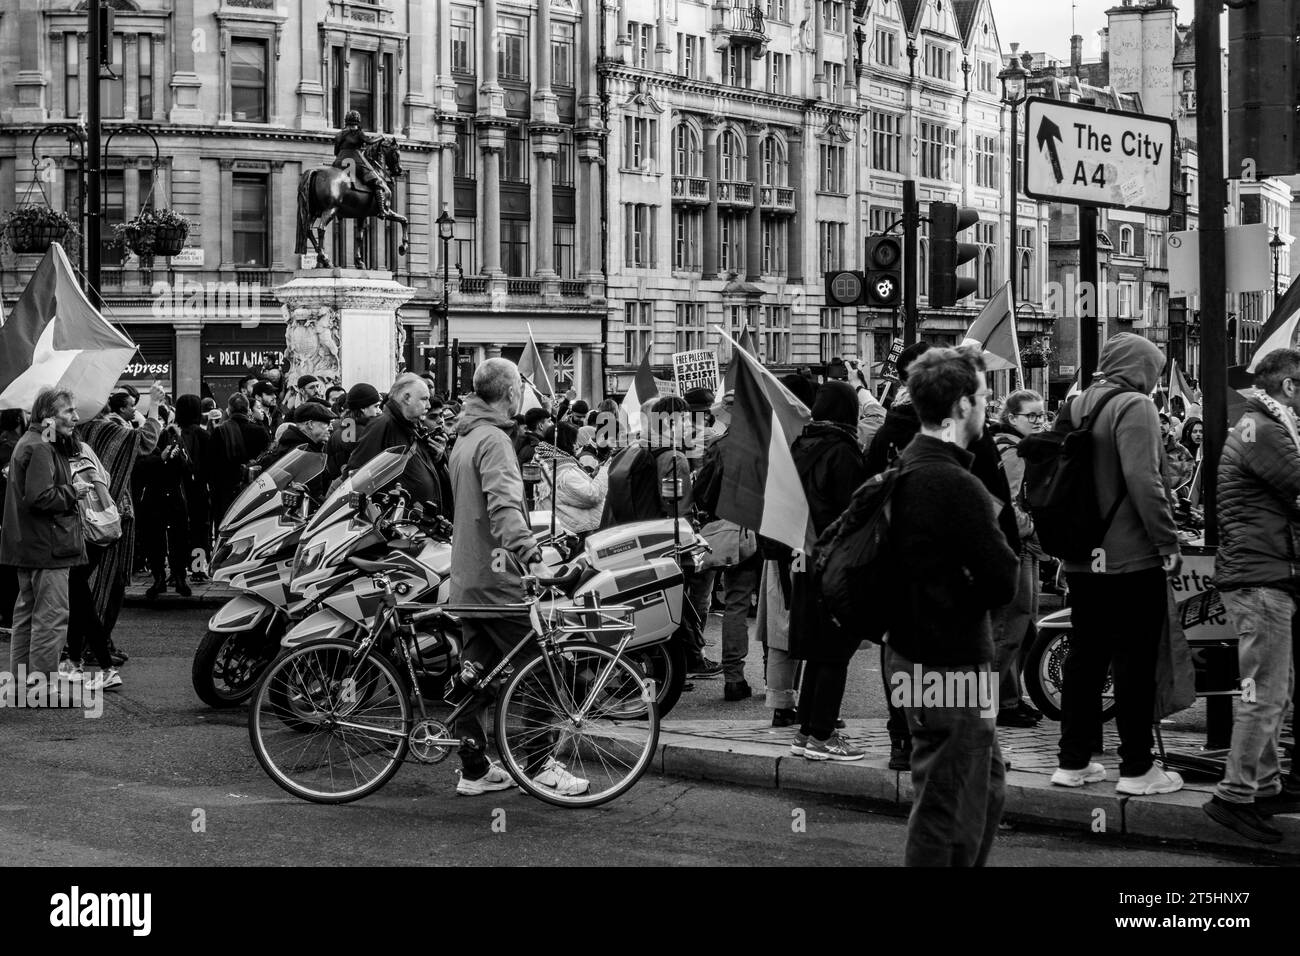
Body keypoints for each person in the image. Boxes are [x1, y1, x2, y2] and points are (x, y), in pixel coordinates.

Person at [883, 347, 1020, 866]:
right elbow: (1003, 577)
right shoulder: (951, 481)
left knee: (982, 788)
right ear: (962, 406)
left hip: (928, 653)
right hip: (946, 661)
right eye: (984, 397)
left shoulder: (910, 464)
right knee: (948, 798)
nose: (989, 406)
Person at [1051, 333, 1184, 796]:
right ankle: (1136, 768)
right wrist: (1167, 541)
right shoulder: (1135, 406)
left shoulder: (1077, 403)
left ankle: (1073, 761)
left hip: (1083, 557)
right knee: (1134, 661)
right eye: (1155, 367)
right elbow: (1145, 480)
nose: (1156, 376)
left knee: (1085, 659)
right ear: (1140, 367)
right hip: (1129, 556)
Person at [447, 358, 587, 797]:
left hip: (469, 577)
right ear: (510, 394)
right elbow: (503, 507)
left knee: (476, 677)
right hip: (497, 580)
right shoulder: (494, 441)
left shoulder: (465, 438)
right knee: (544, 668)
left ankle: (473, 769)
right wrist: (532, 557)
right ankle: (539, 765)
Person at [1202, 348, 1300, 843]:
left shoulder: (1259, 424)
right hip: (1261, 576)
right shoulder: (1262, 429)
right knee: (1263, 693)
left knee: (1272, 689)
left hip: (1261, 572)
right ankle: (1234, 794)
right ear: (1288, 387)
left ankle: (1263, 784)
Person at [787, 381, 869, 756]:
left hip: (802, 556)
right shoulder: (842, 452)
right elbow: (853, 512)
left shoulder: (800, 446)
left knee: (818, 650)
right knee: (835, 650)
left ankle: (805, 732)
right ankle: (823, 735)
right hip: (834, 560)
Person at [0, 387, 94, 682]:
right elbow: (40, 497)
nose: (76, 417)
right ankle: (40, 686)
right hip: (48, 546)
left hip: (32, 544)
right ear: (48, 416)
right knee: (50, 618)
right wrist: (73, 491)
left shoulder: (36, 441)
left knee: (28, 616)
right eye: (69, 411)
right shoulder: (41, 445)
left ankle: (22, 682)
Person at [78, 385, 165, 650]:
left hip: (88, 513)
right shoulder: (105, 429)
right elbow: (146, 441)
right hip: (110, 514)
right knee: (108, 582)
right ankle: (96, 644)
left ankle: (95, 643)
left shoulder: (83, 429)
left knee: (95, 582)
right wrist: (154, 405)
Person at [692, 394, 763, 702]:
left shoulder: (719, 447)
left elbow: (702, 495)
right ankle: (777, 679)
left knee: (735, 603)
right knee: (773, 606)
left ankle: (734, 677)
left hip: (732, 533)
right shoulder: (767, 445)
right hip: (766, 531)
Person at [757, 374, 815, 725]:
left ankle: (782, 704)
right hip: (796, 544)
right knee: (794, 627)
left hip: (777, 544)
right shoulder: (799, 441)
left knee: (782, 630)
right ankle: (791, 703)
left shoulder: (774, 438)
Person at [989, 390, 1047, 728]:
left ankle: (1009, 699)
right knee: (1011, 625)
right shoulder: (1012, 451)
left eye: (1042, 415)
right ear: (1011, 418)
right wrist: (1032, 529)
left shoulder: (1018, 447)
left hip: (1024, 544)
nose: (1040, 422)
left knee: (1022, 627)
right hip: (1018, 545)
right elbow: (1010, 504)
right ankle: (995, 702)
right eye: (1032, 416)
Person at [348, 373, 451, 515]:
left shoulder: (410, 426)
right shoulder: (383, 425)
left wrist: (437, 458)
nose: (428, 405)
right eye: (424, 399)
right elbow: (357, 476)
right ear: (407, 398)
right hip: (396, 524)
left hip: (413, 523)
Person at [138, 411, 196, 600]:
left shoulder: (178, 442)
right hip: (155, 499)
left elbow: (188, 471)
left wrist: (178, 458)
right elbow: (140, 469)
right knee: (155, 541)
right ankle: (159, 578)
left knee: (178, 539)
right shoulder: (146, 444)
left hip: (174, 498)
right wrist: (161, 458)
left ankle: (179, 577)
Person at [535, 418, 609, 536]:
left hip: (567, 527)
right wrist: (604, 471)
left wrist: (592, 475)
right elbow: (591, 495)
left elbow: (568, 492)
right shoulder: (562, 470)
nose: (576, 445)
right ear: (565, 442)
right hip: (578, 532)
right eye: (573, 441)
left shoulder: (546, 460)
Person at [208, 393, 271, 525]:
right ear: (248, 410)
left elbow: (212, 465)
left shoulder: (220, 432)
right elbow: (268, 460)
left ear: (229, 410)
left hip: (225, 490)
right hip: (254, 489)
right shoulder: (260, 431)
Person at [253, 402, 335, 500]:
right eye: (327, 423)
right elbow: (313, 496)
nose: (331, 428)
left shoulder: (291, 445)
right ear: (310, 424)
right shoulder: (303, 453)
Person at [173, 396, 212, 579]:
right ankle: (197, 569)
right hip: (199, 488)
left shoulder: (173, 433)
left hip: (176, 489)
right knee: (200, 529)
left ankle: (177, 570)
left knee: (177, 530)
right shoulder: (204, 435)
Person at [333, 108, 394, 216]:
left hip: (338, 162)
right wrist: (380, 137)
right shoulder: (359, 133)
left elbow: (336, 151)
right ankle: (381, 210)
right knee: (377, 181)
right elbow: (369, 141)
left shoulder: (339, 134)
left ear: (346, 121)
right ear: (358, 121)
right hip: (354, 161)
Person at [0, 408, 25, 632]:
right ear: (19, 418)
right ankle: (9, 616)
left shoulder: (10, 443)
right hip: (9, 515)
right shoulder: (12, 447)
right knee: (10, 569)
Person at [327, 382, 382, 481]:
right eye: (376, 406)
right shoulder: (365, 433)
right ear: (363, 408)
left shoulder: (341, 429)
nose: (379, 411)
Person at [1159, 412, 1195, 495]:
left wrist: (1176, 490)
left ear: (1170, 426)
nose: (1160, 425)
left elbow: (1189, 474)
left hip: (1177, 499)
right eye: (1157, 423)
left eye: (1164, 423)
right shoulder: (1149, 450)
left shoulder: (1181, 450)